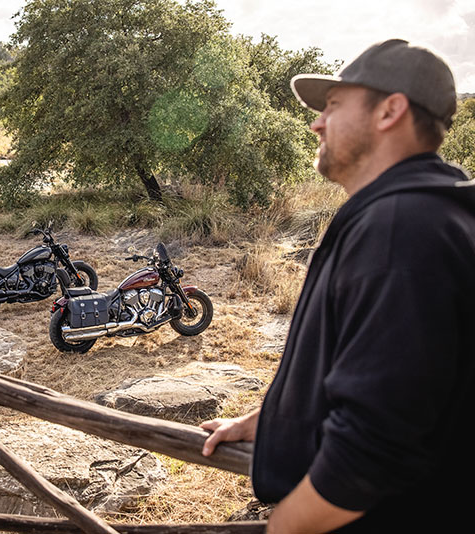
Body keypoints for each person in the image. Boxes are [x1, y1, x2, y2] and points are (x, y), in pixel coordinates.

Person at [199, 39, 475, 533]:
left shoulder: (401, 229)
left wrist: (285, 527)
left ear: (390, 110)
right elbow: (370, 366)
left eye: (333, 106)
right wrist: (271, 418)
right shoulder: (424, 213)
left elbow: (376, 447)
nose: (316, 123)